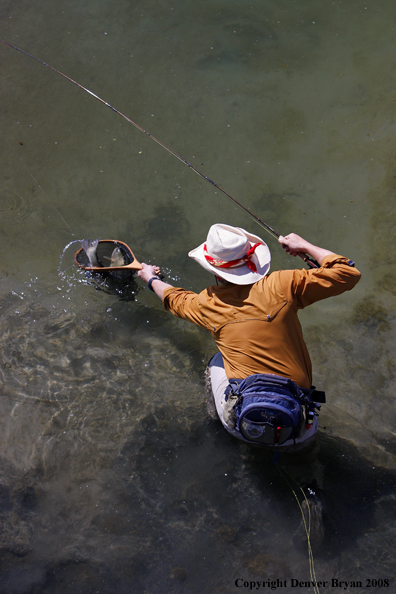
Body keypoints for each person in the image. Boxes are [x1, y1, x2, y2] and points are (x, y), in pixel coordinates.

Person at [138, 223, 361, 452]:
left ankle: (217, 425)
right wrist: (304, 246)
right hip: (300, 429)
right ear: (252, 258)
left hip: (243, 427)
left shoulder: (208, 303)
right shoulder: (282, 285)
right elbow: (348, 273)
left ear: (214, 269)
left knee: (217, 360)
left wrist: (151, 278)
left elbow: (175, 299)